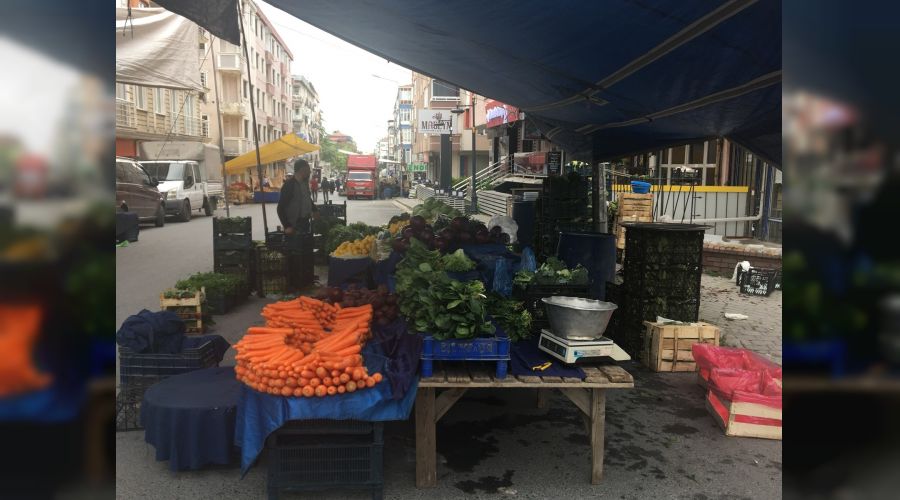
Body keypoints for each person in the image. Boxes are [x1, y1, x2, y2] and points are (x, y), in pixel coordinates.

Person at [277, 159, 318, 235]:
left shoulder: (304, 183)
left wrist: (314, 210)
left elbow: (307, 199)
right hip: (294, 225)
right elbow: (280, 208)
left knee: (306, 245)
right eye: (308, 170)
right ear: (302, 170)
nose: (310, 172)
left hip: (305, 222)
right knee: (297, 246)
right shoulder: (289, 185)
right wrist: (287, 226)